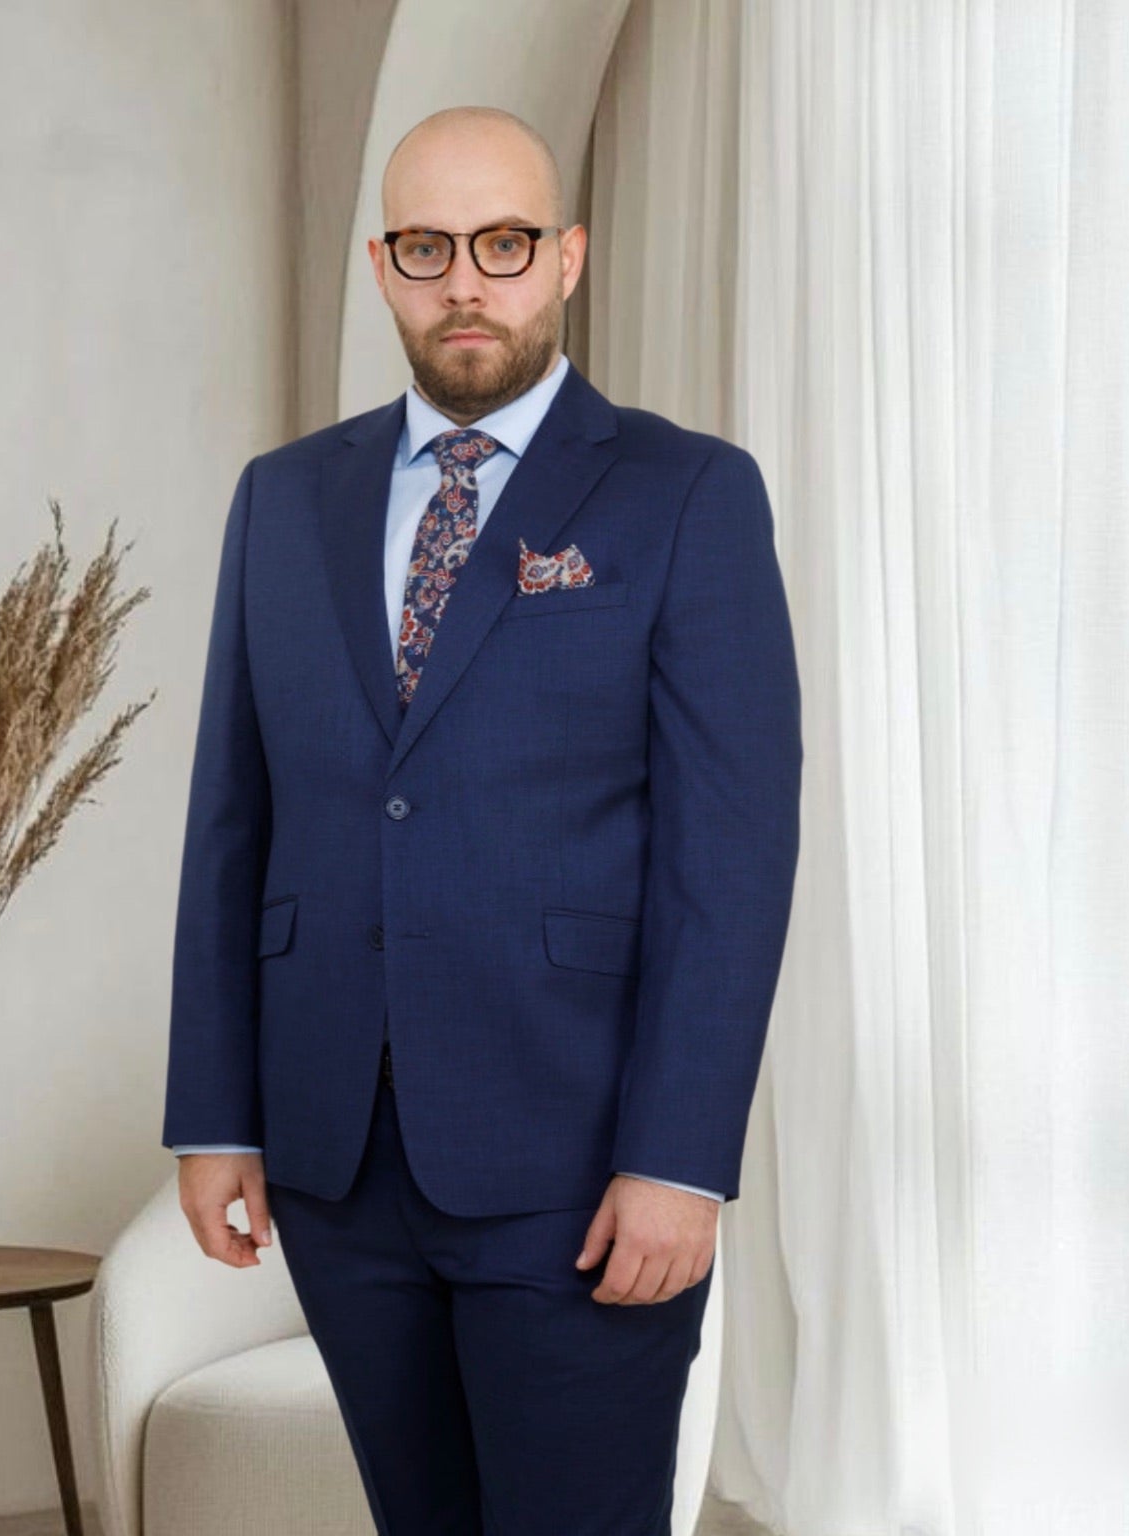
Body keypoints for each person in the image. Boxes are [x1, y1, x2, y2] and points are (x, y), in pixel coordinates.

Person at [162, 103, 802, 1535]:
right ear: (382, 266)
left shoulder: (686, 494)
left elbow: (732, 858)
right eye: (428, 248)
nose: (466, 282)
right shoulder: (284, 500)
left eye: (504, 244)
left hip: (578, 1160)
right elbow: (231, 824)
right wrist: (214, 1115)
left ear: (565, 258)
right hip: (339, 1164)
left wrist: (680, 1158)